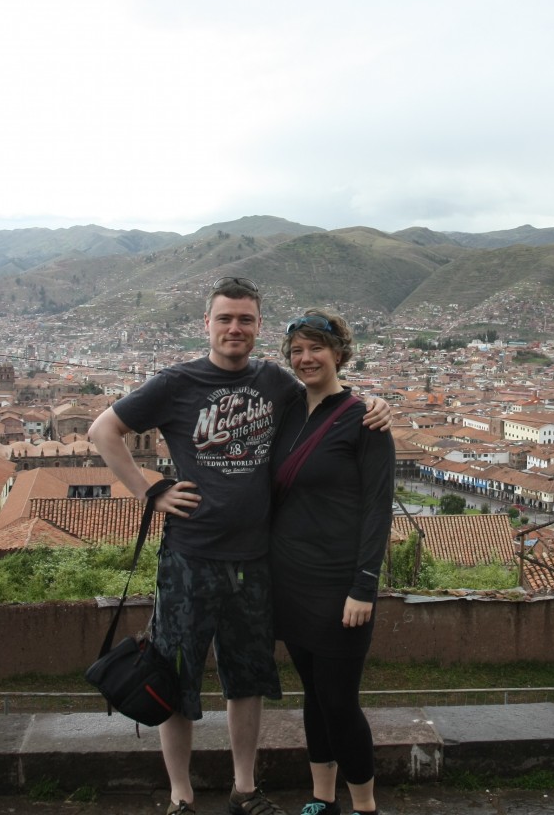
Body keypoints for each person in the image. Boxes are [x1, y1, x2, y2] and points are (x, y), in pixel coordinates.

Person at [88, 277, 389, 815]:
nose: (234, 328)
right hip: (189, 555)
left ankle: (244, 789)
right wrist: (150, 490)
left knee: (245, 678)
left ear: (257, 328)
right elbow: (103, 430)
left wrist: (377, 405)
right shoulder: (176, 382)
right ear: (206, 323)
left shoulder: (275, 382)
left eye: (245, 320)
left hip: (254, 560)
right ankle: (181, 796)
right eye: (224, 318)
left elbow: (329, 399)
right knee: (175, 677)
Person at [270, 310, 393, 815]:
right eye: (296, 350)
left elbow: (377, 508)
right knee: (314, 696)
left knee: (340, 701)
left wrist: (364, 585)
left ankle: (364, 806)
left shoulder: (366, 419)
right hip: (288, 578)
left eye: (316, 348)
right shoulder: (286, 411)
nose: (305, 358)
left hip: (340, 583)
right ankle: (322, 799)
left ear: (340, 353)